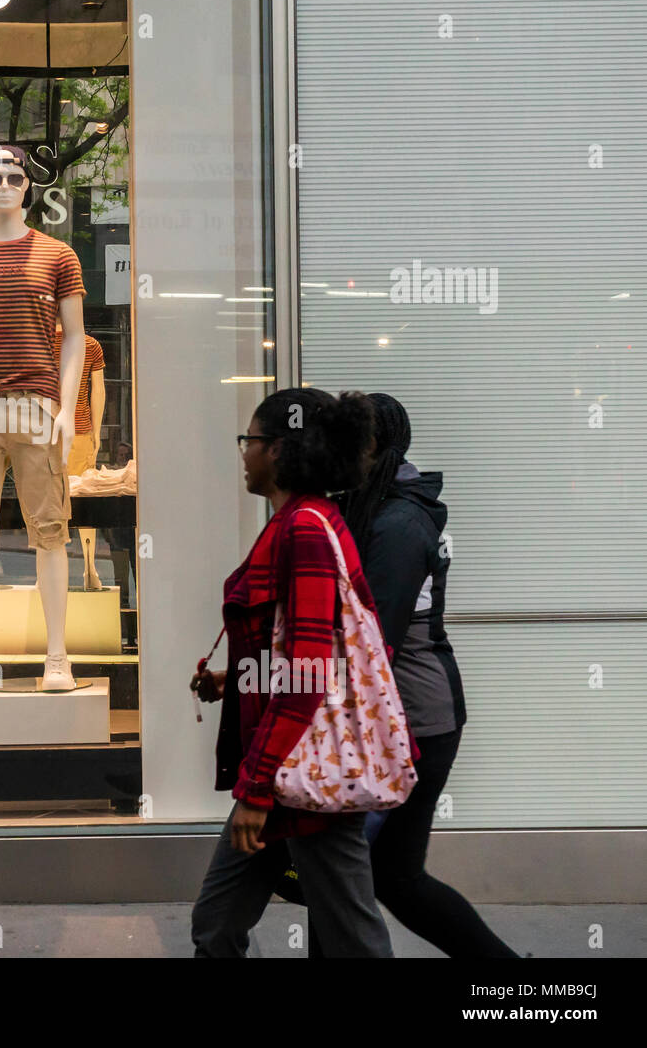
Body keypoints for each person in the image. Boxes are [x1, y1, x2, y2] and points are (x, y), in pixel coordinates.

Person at [190, 387, 395, 957]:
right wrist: (236, 681)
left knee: (354, 940)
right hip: (280, 767)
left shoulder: (305, 528)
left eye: (249, 441)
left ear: (278, 450)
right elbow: (298, 654)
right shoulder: (299, 522)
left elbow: (308, 671)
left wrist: (255, 790)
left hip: (303, 776)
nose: (244, 453)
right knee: (216, 925)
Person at [330, 393, 517, 957]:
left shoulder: (397, 522)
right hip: (405, 713)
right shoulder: (375, 505)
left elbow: (372, 644)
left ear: (369, 447)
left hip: (411, 719)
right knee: (388, 878)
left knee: (342, 876)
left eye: (342, 439)